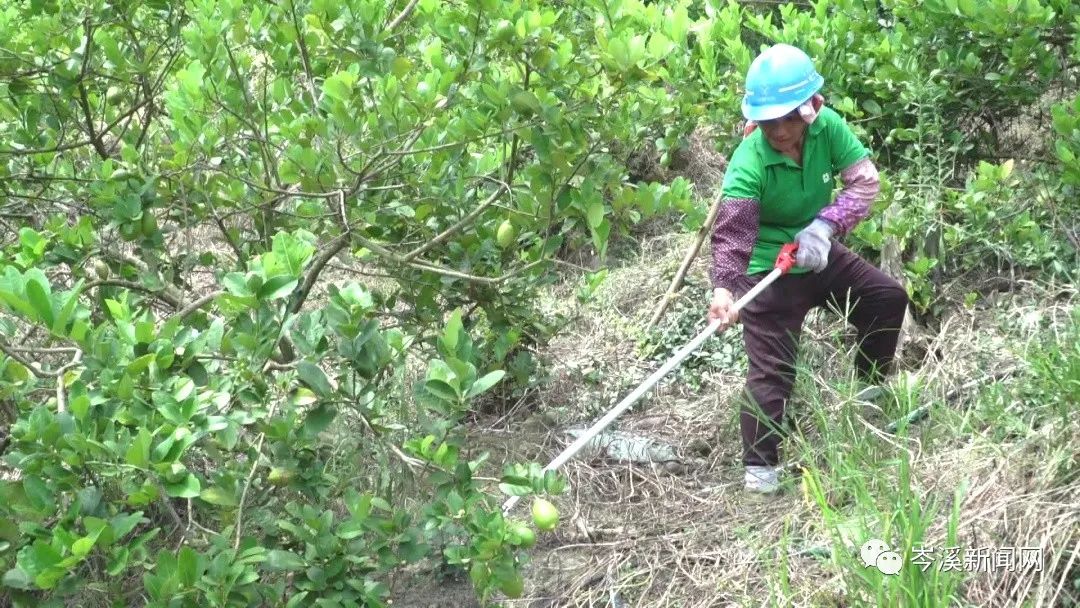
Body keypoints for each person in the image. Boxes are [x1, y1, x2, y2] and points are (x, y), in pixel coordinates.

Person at [706, 43, 910, 495]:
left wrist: (826, 225)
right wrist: (724, 290)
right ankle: (760, 474)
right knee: (773, 372)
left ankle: (871, 390)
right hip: (767, 270)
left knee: (885, 299)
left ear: (811, 107)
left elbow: (865, 182)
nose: (779, 130)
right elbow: (733, 234)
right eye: (768, 120)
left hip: (818, 253)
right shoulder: (749, 160)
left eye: (788, 118)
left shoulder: (828, 127)